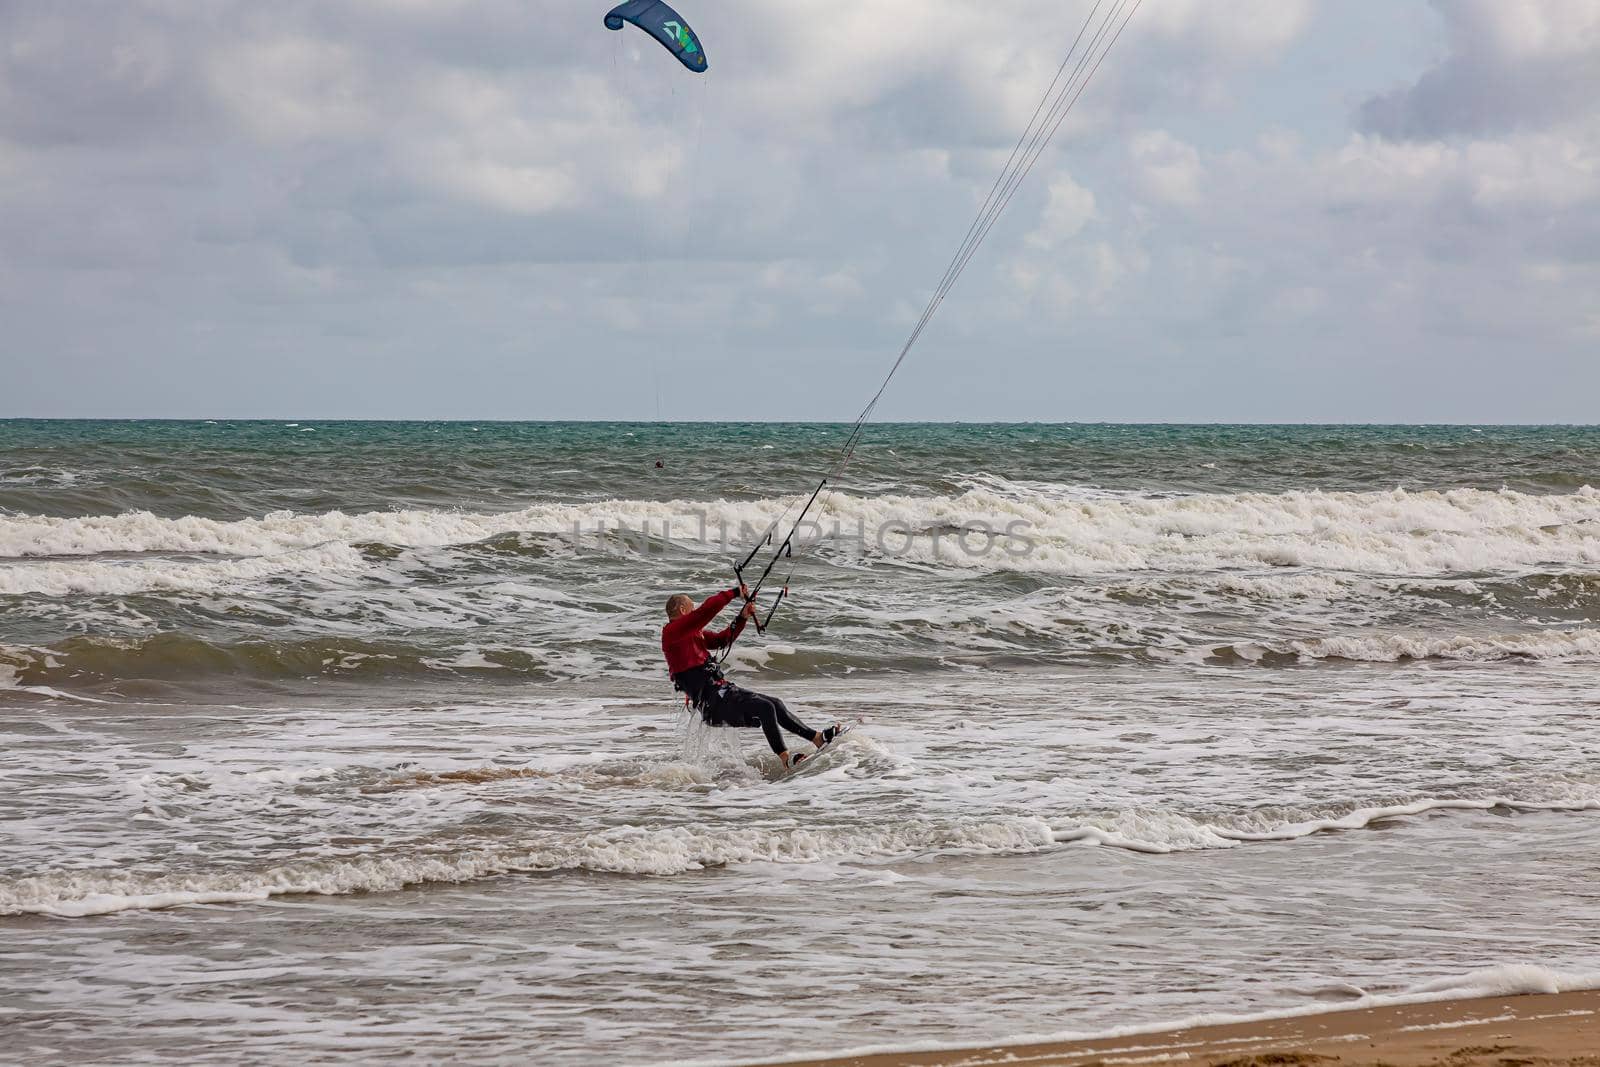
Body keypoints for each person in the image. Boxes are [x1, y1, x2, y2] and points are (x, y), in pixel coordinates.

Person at [661, 584, 844, 768]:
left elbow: (721, 640)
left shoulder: (692, 634)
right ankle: (786, 759)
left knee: (775, 704)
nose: (695, 611)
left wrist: (741, 618)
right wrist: (734, 593)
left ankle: (818, 738)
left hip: (721, 693)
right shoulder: (672, 633)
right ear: (683, 610)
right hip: (712, 704)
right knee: (765, 707)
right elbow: (705, 612)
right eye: (692, 608)